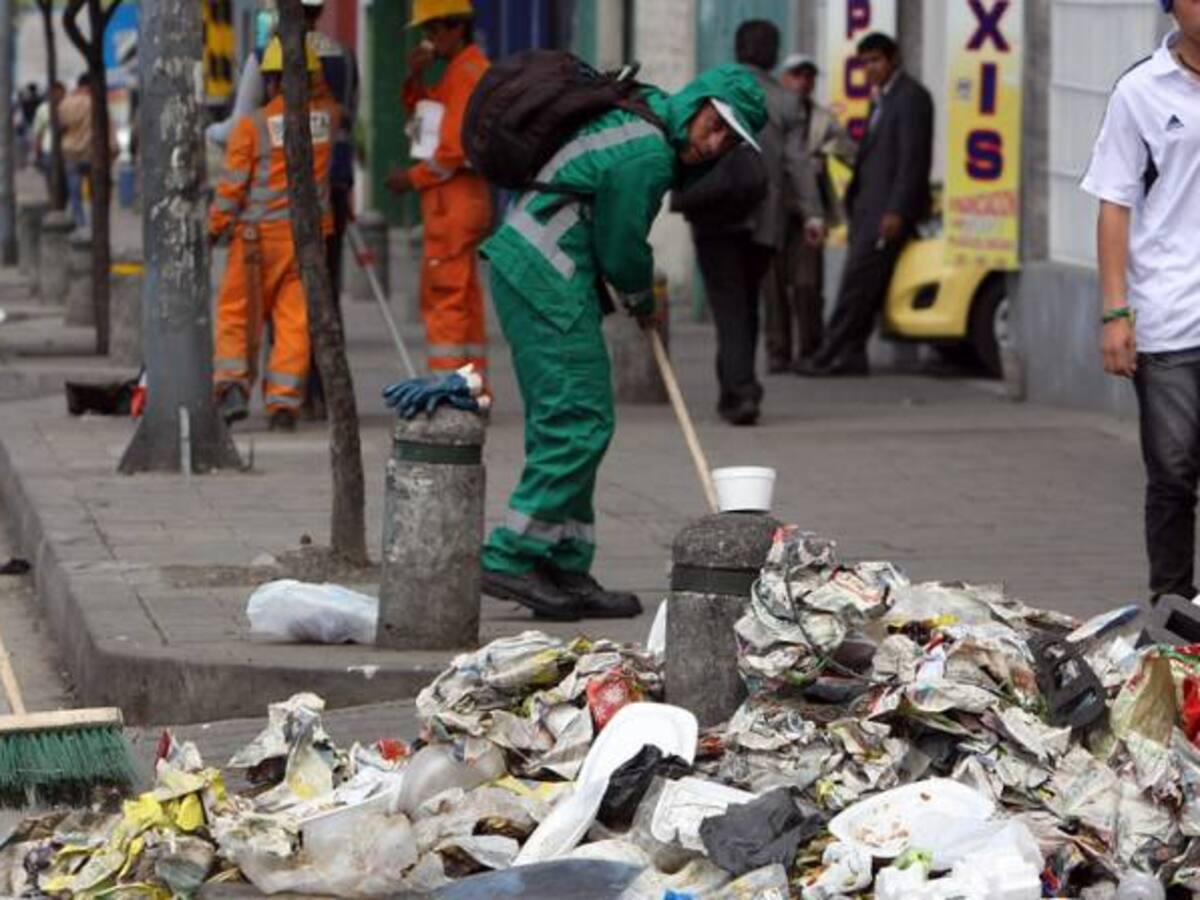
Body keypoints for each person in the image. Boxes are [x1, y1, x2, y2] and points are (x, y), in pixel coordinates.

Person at [479, 64, 767, 619]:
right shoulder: (648, 153)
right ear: (698, 103)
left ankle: (564, 560)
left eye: (730, 140)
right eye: (716, 126)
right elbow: (621, 247)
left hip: (540, 268)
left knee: (569, 419)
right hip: (546, 273)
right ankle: (512, 554)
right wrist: (641, 297)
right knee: (579, 420)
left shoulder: (647, 117)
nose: (715, 145)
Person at [1082, 0, 1200, 605]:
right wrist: (1114, 311)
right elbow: (1114, 203)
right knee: (1174, 473)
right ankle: (1173, 612)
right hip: (1168, 312)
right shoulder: (1141, 90)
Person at [671, 21, 824, 427]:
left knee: (728, 306)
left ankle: (738, 390)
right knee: (746, 305)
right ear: (774, 55)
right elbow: (797, 162)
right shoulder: (787, 101)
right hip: (763, 222)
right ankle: (738, 388)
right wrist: (812, 214)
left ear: (738, 49)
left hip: (713, 216)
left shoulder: (712, 90)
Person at [209, 38, 338, 432]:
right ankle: (283, 403)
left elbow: (231, 189)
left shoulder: (252, 127)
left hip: (255, 241)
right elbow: (328, 98)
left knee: (237, 315)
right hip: (304, 244)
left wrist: (213, 228)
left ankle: (232, 387)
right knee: (295, 323)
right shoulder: (326, 120)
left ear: (270, 81)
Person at [797, 32, 933, 377]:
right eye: (865, 63)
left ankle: (828, 354)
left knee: (856, 287)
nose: (870, 69)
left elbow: (912, 161)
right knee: (864, 287)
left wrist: (897, 210)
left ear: (893, 59)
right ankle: (852, 355)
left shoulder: (911, 98)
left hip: (886, 213)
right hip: (866, 209)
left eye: (876, 60)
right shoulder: (881, 99)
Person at [386, 0, 492, 382]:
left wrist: (410, 179)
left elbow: (451, 150)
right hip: (458, 201)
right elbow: (425, 124)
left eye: (432, 30)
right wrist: (415, 80)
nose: (428, 39)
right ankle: (472, 386)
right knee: (464, 298)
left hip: (454, 204)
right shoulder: (459, 72)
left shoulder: (466, 74)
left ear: (456, 28)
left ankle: (449, 389)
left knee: (446, 296)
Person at [776, 54, 856, 369]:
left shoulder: (822, 119)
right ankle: (778, 352)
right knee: (773, 284)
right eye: (797, 75)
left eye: (809, 76)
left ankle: (810, 348)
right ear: (784, 79)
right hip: (773, 207)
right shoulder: (769, 112)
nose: (803, 82)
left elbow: (850, 151)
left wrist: (824, 155)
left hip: (810, 208)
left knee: (808, 283)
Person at [58, 74, 95, 229]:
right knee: (95, 192)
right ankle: (95, 223)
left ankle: (80, 224)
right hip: (91, 151)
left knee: (75, 192)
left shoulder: (65, 103)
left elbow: (61, 127)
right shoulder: (95, 102)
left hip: (70, 151)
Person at [31, 82, 64, 181]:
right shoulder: (43, 109)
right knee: (51, 179)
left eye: (59, 93)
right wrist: (37, 152)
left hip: (66, 150)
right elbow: (38, 132)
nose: (57, 96)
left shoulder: (67, 107)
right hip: (48, 149)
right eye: (54, 93)